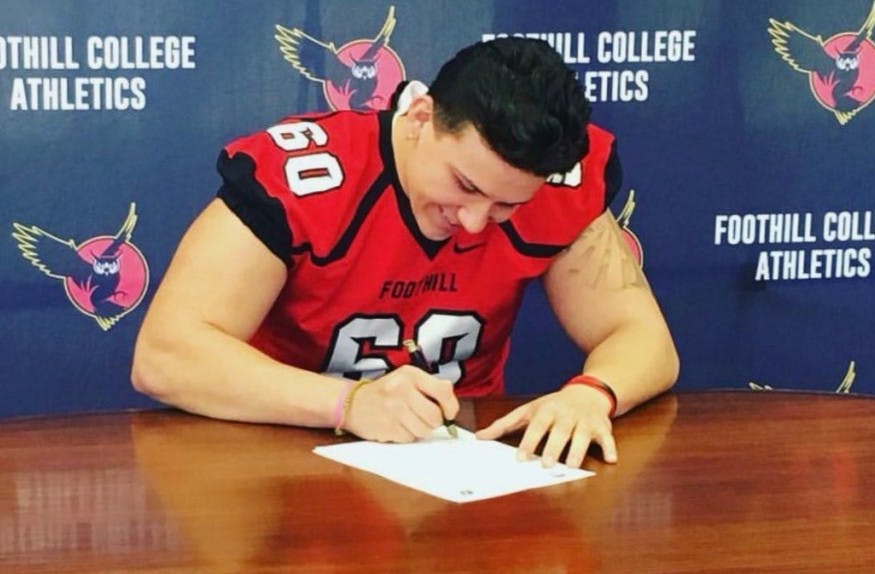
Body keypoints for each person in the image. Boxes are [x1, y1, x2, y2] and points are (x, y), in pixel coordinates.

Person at [131, 37, 679, 469]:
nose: (474, 221)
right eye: (465, 185)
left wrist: (593, 394)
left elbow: (642, 337)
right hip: (280, 449)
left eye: (506, 205)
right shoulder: (307, 177)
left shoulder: (554, 186)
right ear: (420, 117)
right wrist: (348, 403)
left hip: (462, 461)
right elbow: (165, 356)